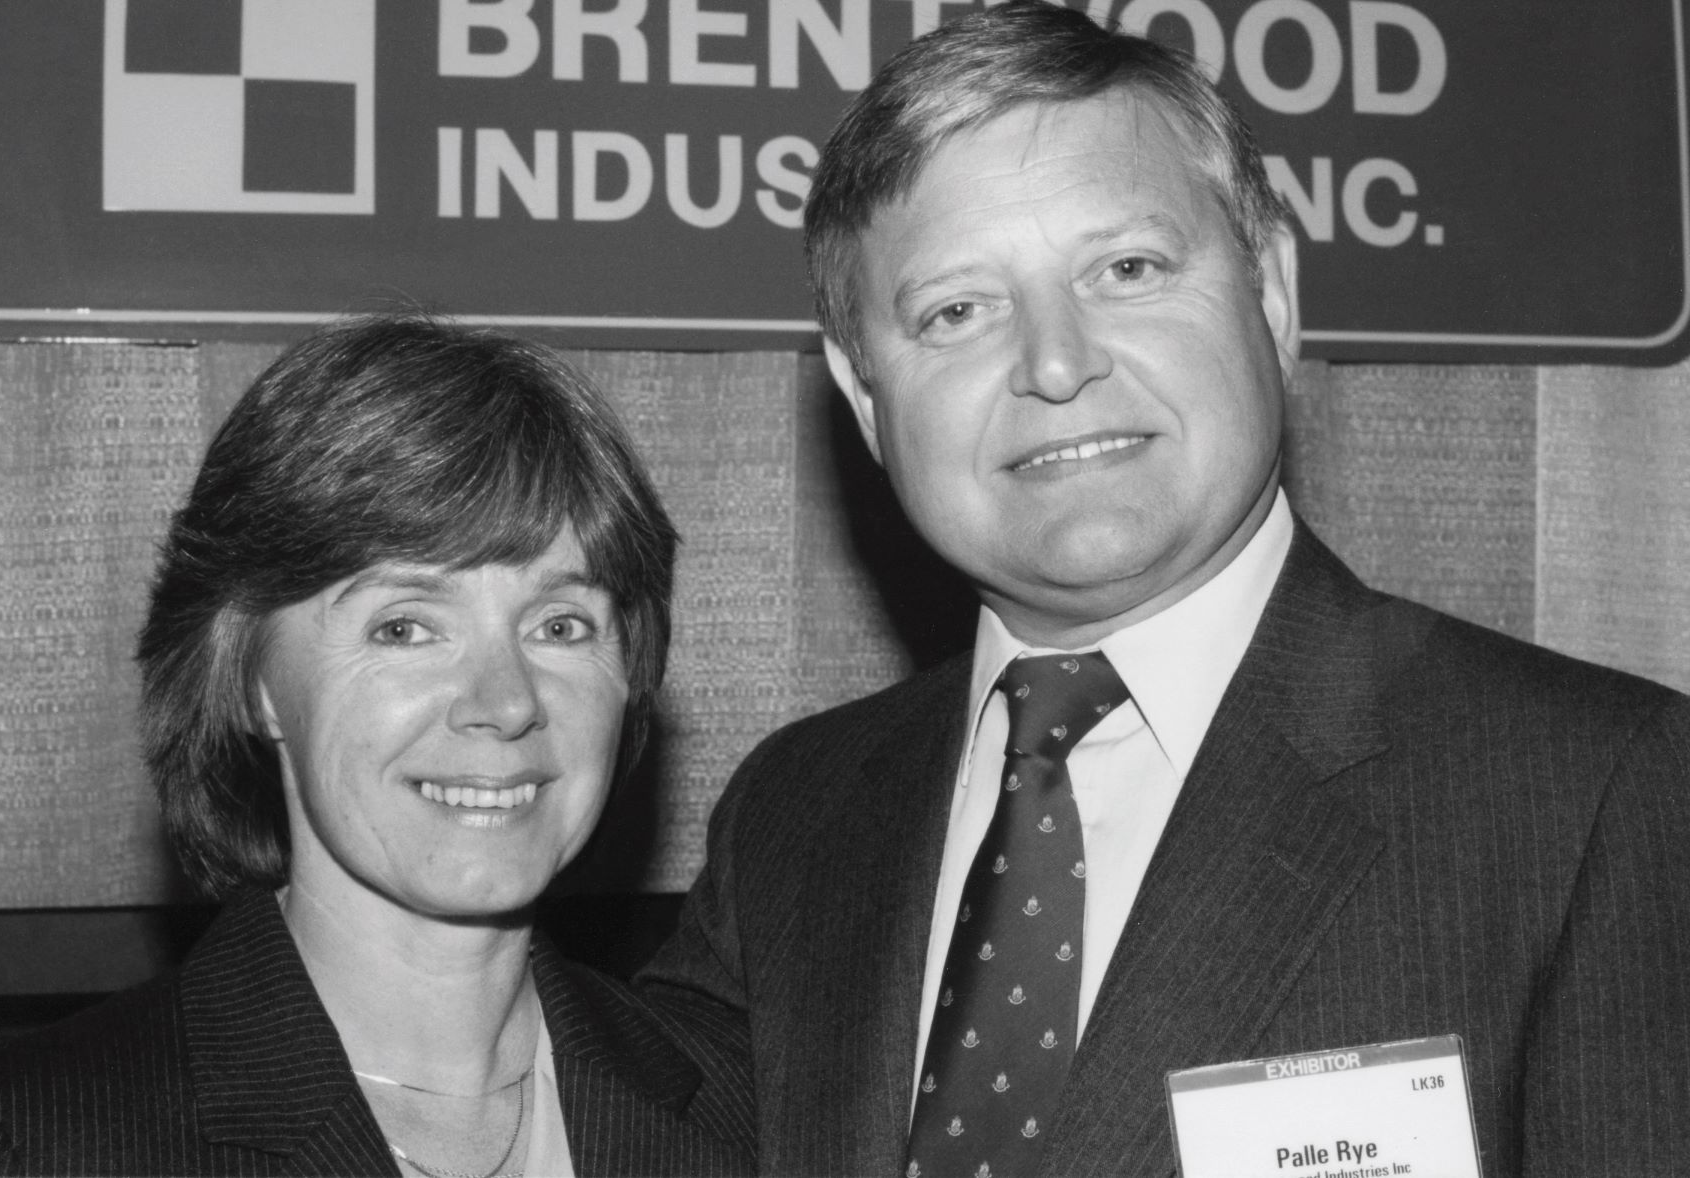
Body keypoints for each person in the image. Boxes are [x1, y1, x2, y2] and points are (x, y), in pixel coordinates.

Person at [638, 3, 1690, 1175]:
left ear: (1273, 294)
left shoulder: (1600, 795)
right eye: (957, 311)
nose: (1054, 361)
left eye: (1127, 267)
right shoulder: (795, 817)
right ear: (866, 394)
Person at [0, 315, 753, 1177]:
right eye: (405, 626)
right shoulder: (16, 1142)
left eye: (560, 624)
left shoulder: (752, 1115)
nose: (505, 704)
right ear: (249, 679)